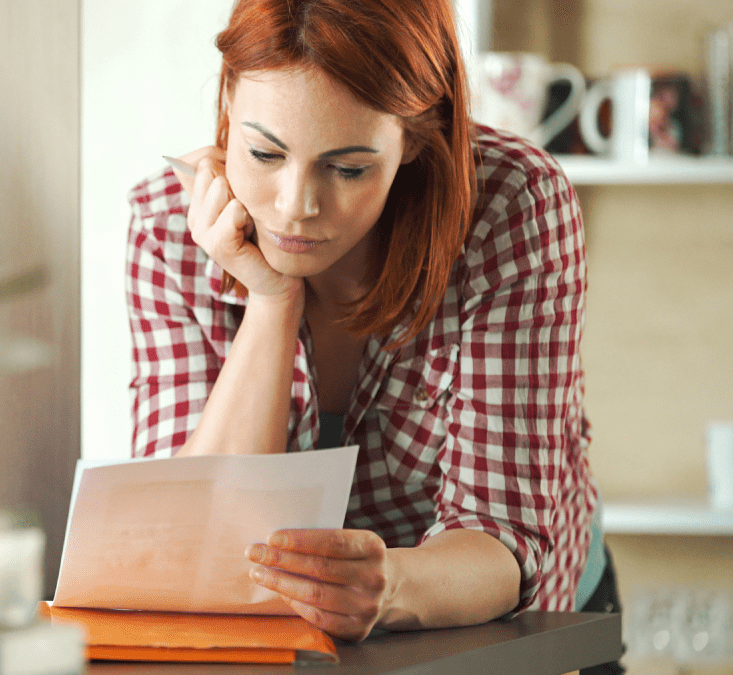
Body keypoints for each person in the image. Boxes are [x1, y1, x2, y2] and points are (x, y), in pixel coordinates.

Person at [125, 0, 622, 669]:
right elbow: (190, 540)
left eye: (349, 167)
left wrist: (387, 585)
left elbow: (501, 536)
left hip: (516, 626)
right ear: (228, 104)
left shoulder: (514, 204)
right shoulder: (167, 226)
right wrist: (272, 300)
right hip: (296, 641)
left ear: (415, 137)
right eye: (264, 152)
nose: (294, 206)